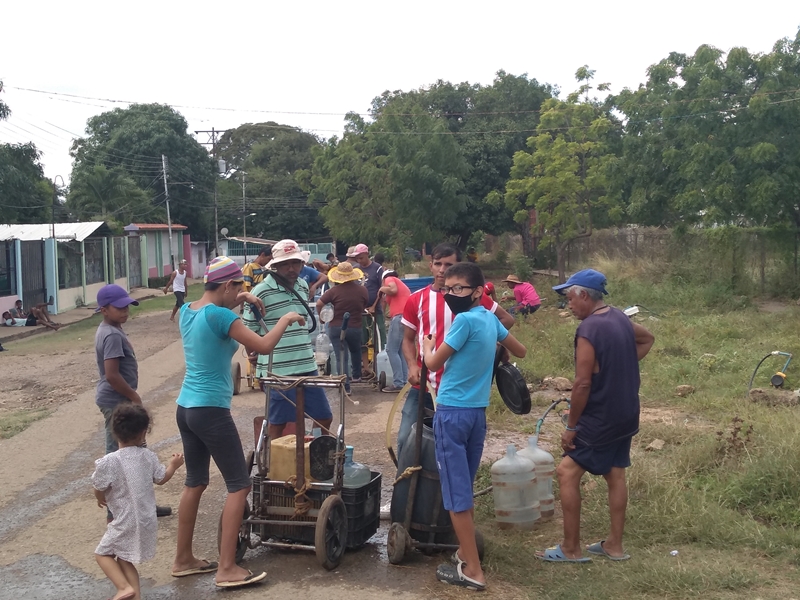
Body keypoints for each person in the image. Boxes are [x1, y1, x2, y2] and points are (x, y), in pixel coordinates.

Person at [172, 256, 304, 589]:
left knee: (195, 482)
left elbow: (218, 320)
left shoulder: (189, 311)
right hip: (211, 410)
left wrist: (243, 299)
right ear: (228, 285)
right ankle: (227, 568)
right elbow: (262, 344)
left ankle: (183, 559)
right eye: (239, 287)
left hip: (186, 407)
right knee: (239, 485)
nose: (242, 292)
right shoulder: (219, 316)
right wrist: (286, 318)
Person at [535, 269, 654, 563]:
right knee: (615, 474)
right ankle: (614, 545)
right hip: (626, 414)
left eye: (569, 298)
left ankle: (571, 549)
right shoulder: (619, 319)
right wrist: (619, 368)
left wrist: (571, 426)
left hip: (600, 417)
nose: (568, 305)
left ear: (584, 295)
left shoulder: (588, 329)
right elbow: (648, 338)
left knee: (566, 472)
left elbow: (582, 383)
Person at [422, 262, 526, 590]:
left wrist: (426, 345)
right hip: (477, 414)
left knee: (456, 496)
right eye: (447, 289)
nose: (451, 294)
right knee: (463, 487)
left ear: (478, 291)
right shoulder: (489, 320)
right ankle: (465, 553)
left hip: (452, 412)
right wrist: (488, 354)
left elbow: (433, 362)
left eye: (459, 289)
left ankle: (473, 572)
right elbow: (519, 351)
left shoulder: (464, 321)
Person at [398, 243, 515, 456]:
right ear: (430, 265)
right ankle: (409, 487)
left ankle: (443, 488)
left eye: (449, 264)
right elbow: (407, 339)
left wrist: (489, 344)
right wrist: (411, 365)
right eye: (438, 264)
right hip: (424, 385)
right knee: (406, 441)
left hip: (459, 390)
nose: (442, 269)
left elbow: (506, 319)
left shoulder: (472, 298)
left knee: (450, 449)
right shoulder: (417, 299)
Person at [243, 240, 333, 441]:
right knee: (279, 422)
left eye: (295, 263)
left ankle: (316, 453)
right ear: (275, 266)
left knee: (324, 417)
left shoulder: (302, 285)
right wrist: (253, 355)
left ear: (302, 264)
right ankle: (275, 463)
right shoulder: (260, 292)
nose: (291, 268)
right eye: (285, 264)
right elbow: (248, 329)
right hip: (277, 369)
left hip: (306, 364)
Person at [92, 404, 184, 600]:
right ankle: (135, 596)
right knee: (125, 558)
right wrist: (173, 465)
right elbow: (162, 478)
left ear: (114, 432)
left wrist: (100, 498)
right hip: (145, 519)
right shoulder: (147, 457)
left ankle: (124, 588)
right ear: (143, 433)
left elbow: (98, 486)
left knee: (102, 554)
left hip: (125, 521)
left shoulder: (110, 461)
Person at [94, 283, 170, 519]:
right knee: (118, 453)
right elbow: (112, 374)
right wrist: (134, 397)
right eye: (119, 308)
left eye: (127, 306)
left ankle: (143, 503)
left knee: (136, 450)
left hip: (118, 398)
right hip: (117, 400)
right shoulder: (111, 334)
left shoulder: (111, 329)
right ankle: (115, 510)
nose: (125, 311)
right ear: (104, 309)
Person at [317, 262, 368, 393]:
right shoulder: (362, 290)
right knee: (356, 350)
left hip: (336, 327)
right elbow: (365, 304)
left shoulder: (333, 291)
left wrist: (322, 317)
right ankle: (356, 376)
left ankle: (345, 387)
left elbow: (319, 303)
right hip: (355, 326)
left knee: (341, 357)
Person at [350, 244, 386, 377]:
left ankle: (379, 367)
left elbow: (381, 289)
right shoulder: (355, 269)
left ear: (367, 254)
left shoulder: (377, 269)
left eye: (361, 258)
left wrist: (374, 306)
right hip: (360, 310)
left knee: (379, 339)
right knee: (362, 340)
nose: (359, 261)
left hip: (375, 310)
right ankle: (366, 368)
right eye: (357, 258)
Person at [378, 268, 410, 393]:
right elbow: (384, 303)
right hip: (406, 317)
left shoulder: (389, 279)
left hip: (400, 317)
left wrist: (381, 289)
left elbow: (392, 289)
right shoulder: (401, 284)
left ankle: (398, 383)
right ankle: (404, 381)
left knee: (391, 350)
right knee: (400, 351)